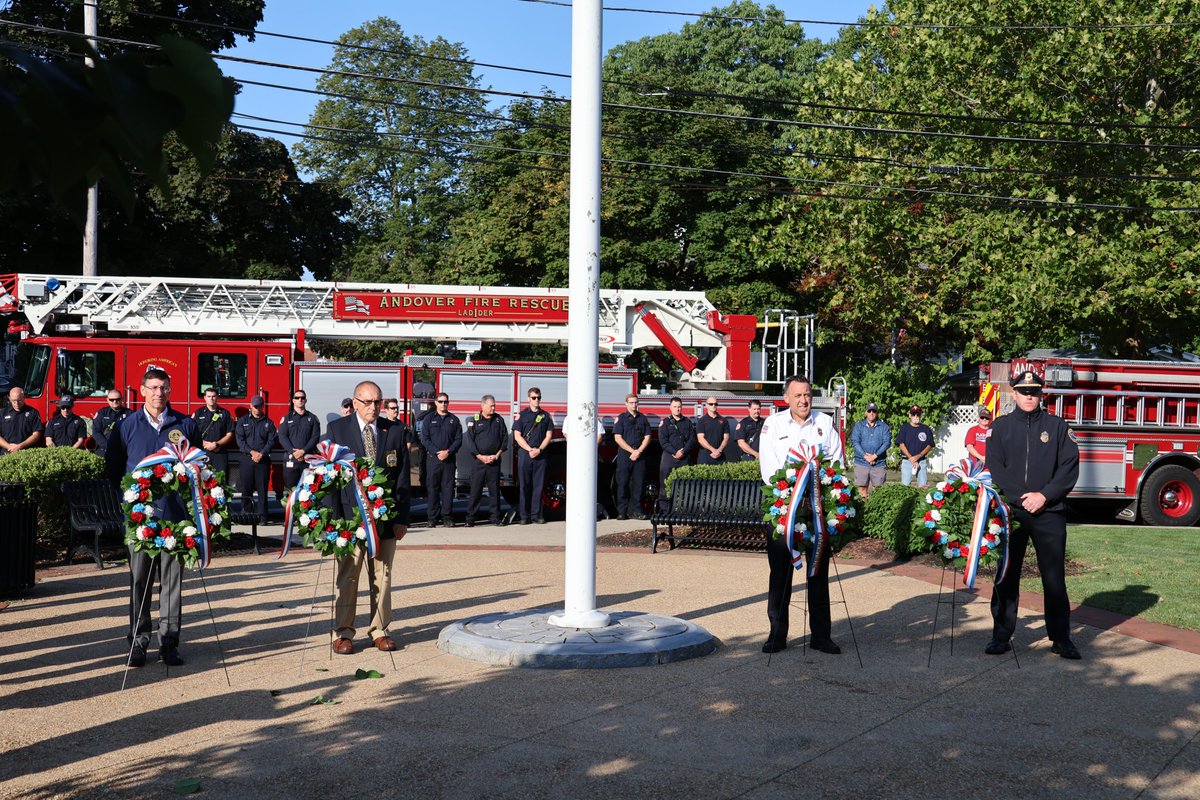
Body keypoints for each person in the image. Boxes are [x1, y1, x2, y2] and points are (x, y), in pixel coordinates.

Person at [985, 371, 1082, 660]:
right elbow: (996, 467)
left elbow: (1069, 467)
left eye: (1034, 391)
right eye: (1024, 391)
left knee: (1053, 578)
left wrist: (1044, 496)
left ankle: (1061, 638)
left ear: (1042, 394)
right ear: (1013, 393)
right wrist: (1019, 498)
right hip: (1011, 513)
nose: (1029, 396)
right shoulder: (1000, 428)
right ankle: (1000, 636)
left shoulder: (1057, 426)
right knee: (1006, 575)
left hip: (1049, 511)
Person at [105, 368, 198, 667]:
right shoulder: (126, 426)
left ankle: (169, 643)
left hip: (175, 520)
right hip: (140, 521)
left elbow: (198, 469)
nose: (159, 393)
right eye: (154, 387)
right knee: (139, 583)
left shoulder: (185, 425)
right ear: (142, 390)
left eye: (164, 387)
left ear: (170, 390)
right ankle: (138, 642)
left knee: (172, 585)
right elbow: (114, 470)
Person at [758, 376, 844, 656]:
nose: (803, 400)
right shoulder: (773, 425)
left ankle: (821, 635)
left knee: (818, 573)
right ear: (786, 399)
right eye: (797, 396)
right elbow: (769, 469)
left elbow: (837, 463)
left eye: (807, 394)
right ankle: (777, 634)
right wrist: (792, 496)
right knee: (780, 573)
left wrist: (822, 498)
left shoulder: (824, 423)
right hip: (785, 510)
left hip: (819, 511)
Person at [327, 381, 414, 655]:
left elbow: (402, 478)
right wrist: (334, 523)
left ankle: (380, 630)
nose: (373, 408)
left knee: (383, 577)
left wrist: (402, 519)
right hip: (350, 520)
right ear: (354, 403)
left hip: (385, 520)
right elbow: (330, 479)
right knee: (348, 577)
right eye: (367, 402)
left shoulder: (396, 430)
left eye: (378, 402)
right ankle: (343, 633)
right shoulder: (337, 430)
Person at [419, 391, 462, 527]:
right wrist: (437, 452)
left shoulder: (454, 420)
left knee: (448, 489)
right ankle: (432, 518)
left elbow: (458, 439)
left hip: (449, 460)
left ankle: (447, 517)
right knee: (432, 488)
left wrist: (448, 451)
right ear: (436, 403)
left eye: (446, 402)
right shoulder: (428, 419)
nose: (443, 404)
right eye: (441, 401)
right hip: (433, 459)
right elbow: (424, 438)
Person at [464, 394, 508, 527]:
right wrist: (480, 456)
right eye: (491, 406)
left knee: (494, 491)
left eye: (495, 405)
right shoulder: (475, 420)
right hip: (479, 462)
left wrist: (497, 455)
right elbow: (470, 441)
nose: (493, 408)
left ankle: (495, 518)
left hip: (494, 461)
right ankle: (470, 518)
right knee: (475, 491)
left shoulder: (499, 420)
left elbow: (505, 439)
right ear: (482, 406)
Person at [512, 387, 553, 525]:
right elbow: (517, 436)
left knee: (539, 486)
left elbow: (549, 435)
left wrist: (539, 450)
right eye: (534, 397)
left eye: (539, 397)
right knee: (524, 486)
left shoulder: (546, 416)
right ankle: (524, 516)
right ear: (528, 398)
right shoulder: (522, 415)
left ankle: (536, 515)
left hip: (540, 455)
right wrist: (530, 449)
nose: (537, 400)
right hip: (525, 454)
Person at [235, 396, 277, 525]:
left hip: (263, 460)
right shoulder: (242, 421)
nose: (257, 409)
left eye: (259, 406)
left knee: (262, 490)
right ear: (251, 406)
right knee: (246, 488)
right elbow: (240, 440)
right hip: (247, 459)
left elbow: (272, 440)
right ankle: (246, 515)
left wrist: (262, 453)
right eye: (255, 406)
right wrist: (252, 452)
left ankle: (262, 517)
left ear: (263, 406)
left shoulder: (268, 423)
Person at [612, 393, 651, 520]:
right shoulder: (621, 418)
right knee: (622, 484)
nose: (634, 405)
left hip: (640, 455)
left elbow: (647, 437)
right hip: (625, 455)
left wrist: (638, 451)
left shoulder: (642, 418)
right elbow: (617, 438)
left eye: (636, 402)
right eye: (631, 402)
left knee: (638, 484)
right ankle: (622, 512)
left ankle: (637, 511)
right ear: (626, 404)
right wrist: (631, 451)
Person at [278, 389, 321, 496]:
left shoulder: (313, 418)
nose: (300, 400)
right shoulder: (287, 418)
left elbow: (315, 437)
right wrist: (294, 453)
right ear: (293, 401)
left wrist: (303, 451)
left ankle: (307, 513)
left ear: (306, 400)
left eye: (302, 398)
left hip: (307, 460)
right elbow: (282, 437)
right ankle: (290, 513)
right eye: (297, 398)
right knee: (291, 492)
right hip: (291, 460)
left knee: (308, 492)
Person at [850, 402, 891, 499]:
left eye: (874, 411)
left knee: (879, 491)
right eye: (869, 411)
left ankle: (876, 512)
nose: (871, 413)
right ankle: (862, 512)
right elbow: (855, 442)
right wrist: (865, 456)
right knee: (862, 490)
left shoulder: (884, 426)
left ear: (877, 413)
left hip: (879, 463)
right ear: (866, 412)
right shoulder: (859, 426)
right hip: (861, 462)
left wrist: (875, 456)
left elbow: (887, 442)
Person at [191, 388, 235, 477]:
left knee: (221, 482)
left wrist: (217, 444)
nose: (211, 398)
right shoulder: (198, 413)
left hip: (220, 453)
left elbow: (230, 434)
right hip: (202, 452)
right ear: (205, 398)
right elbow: (192, 433)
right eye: (209, 396)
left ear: (217, 397)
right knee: (202, 481)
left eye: (214, 396)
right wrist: (203, 443)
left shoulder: (225, 413)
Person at [657, 397, 696, 489]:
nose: (677, 409)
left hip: (684, 458)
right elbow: (663, 442)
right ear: (670, 407)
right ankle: (665, 504)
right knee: (665, 487)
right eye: (674, 406)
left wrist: (682, 452)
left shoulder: (687, 422)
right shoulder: (665, 422)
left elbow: (692, 440)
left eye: (679, 406)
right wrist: (675, 452)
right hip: (669, 459)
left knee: (684, 487)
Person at [895, 405, 934, 488]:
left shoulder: (925, 428)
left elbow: (930, 445)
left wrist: (919, 456)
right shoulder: (904, 428)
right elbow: (901, 444)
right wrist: (911, 458)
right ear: (910, 415)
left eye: (918, 414)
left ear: (921, 415)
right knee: (905, 487)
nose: (916, 416)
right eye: (913, 414)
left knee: (923, 487)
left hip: (921, 461)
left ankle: (922, 501)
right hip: (907, 461)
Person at [0, 386, 43, 454]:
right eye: (14, 401)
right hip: (6, 452)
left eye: (19, 400)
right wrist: (10, 447)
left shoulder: (33, 412)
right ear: (9, 399)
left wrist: (19, 446)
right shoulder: (2, 414)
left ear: (24, 397)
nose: (16, 403)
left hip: (26, 452)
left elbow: (36, 434)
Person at [92, 390, 130, 459]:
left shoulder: (130, 414)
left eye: (117, 399)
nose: (115, 401)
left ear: (122, 399)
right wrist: (109, 446)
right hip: (104, 451)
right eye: (111, 400)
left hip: (123, 452)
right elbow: (96, 432)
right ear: (107, 400)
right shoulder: (102, 413)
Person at [695, 397, 730, 465]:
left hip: (720, 455)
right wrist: (713, 450)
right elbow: (700, 439)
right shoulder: (702, 421)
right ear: (706, 405)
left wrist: (719, 450)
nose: (713, 406)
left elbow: (726, 438)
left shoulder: (724, 421)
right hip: (705, 456)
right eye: (711, 404)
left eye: (715, 404)